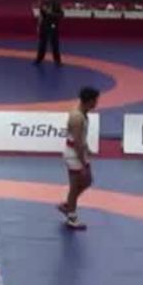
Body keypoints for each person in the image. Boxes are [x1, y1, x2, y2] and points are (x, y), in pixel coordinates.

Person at [56, 86, 99, 230]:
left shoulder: (83, 113)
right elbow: (76, 143)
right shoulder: (76, 117)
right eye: (95, 101)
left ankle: (68, 205)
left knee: (88, 181)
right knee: (75, 187)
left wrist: (87, 149)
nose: (96, 104)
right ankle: (71, 218)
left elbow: (81, 138)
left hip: (78, 153)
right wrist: (83, 163)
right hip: (74, 155)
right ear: (89, 101)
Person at [33, 0, 64, 67]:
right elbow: (41, 17)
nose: (43, 6)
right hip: (44, 27)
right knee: (42, 44)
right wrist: (38, 26)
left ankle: (57, 61)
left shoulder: (56, 5)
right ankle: (39, 59)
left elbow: (61, 15)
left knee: (55, 45)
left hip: (53, 26)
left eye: (45, 4)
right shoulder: (42, 7)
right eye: (43, 5)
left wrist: (50, 14)